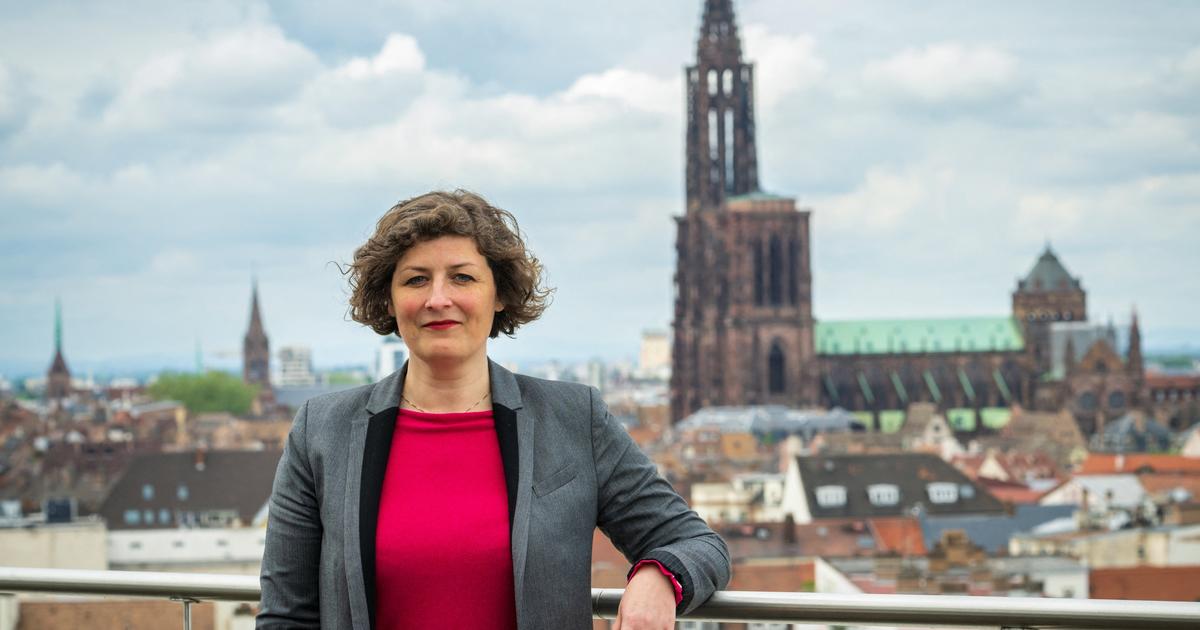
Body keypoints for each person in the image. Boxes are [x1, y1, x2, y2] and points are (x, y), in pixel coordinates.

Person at [257, 190, 730, 630]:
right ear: (389, 298)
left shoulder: (572, 418)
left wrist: (658, 576)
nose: (438, 299)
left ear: (500, 293)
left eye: (462, 277)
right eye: (416, 279)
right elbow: (286, 615)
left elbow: (698, 543)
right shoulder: (323, 431)